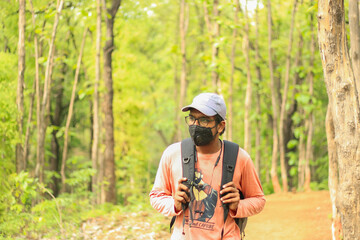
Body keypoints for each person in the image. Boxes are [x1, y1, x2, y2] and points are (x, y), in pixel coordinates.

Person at [149, 93, 265, 240]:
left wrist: (238, 205)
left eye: (204, 120)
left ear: (221, 126)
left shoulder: (239, 158)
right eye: (192, 118)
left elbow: (258, 200)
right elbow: (156, 196)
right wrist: (175, 204)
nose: (196, 125)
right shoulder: (173, 154)